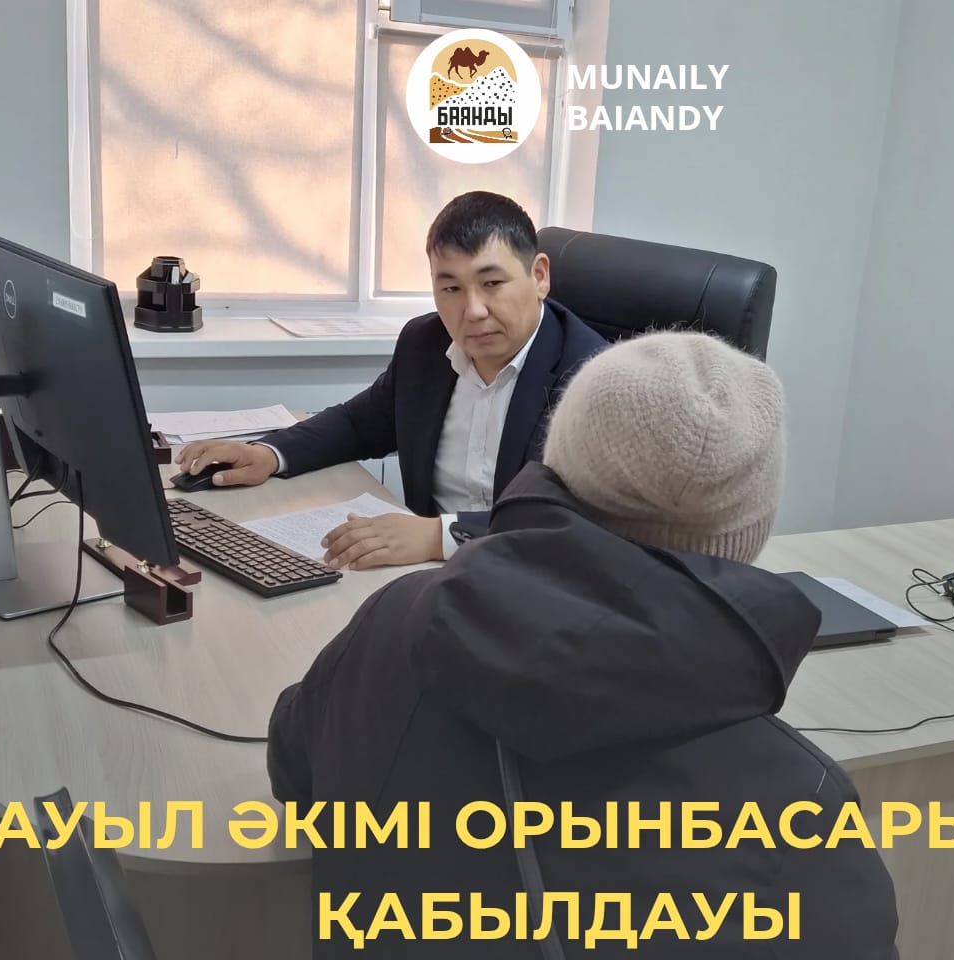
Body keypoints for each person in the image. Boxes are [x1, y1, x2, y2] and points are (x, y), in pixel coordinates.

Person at [266, 330, 900, 958]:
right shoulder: (797, 801)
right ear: (752, 528)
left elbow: (295, 772)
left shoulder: (396, 618)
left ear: (555, 471)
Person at [174, 191, 606, 570]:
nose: (473, 310)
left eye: (492, 283)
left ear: (539, 276)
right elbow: (358, 424)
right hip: (424, 575)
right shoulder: (425, 344)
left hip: (533, 582)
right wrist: (268, 453)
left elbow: (571, 520)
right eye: (451, 289)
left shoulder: (595, 379)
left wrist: (438, 537)